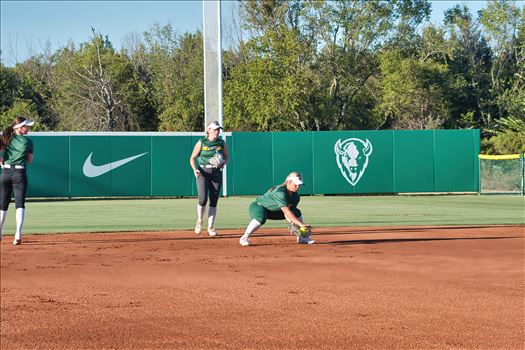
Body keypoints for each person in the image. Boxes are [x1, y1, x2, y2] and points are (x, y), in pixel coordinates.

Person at [239, 171, 315, 246]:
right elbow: (286, 211)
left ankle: (302, 238)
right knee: (261, 217)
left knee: (296, 212)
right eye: (295, 184)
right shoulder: (280, 193)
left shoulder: (296, 196)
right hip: (259, 207)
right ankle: (244, 238)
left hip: (275, 211)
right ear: (289, 182)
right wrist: (301, 224)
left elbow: (288, 212)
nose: (298, 187)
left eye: (299, 185)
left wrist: (292, 223)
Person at [189, 121, 229, 236]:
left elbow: (226, 157)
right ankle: (199, 220)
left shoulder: (222, 143)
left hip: (216, 172)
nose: (217, 131)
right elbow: (192, 158)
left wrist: (223, 163)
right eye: (215, 129)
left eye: (218, 129)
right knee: (202, 199)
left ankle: (211, 227)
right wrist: (194, 169)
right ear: (209, 130)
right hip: (202, 172)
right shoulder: (201, 142)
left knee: (214, 199)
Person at [0, 117, 35, 245]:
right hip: (19, 173)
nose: (28, 128)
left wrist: (2, 162)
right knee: (19, 204)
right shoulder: (28, 141)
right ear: (19, 127)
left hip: (5, 173)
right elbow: (30, 160)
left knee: (2, 204)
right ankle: (17, 235)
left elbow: (2, 156)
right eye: (26, 126)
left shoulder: (6, 138)